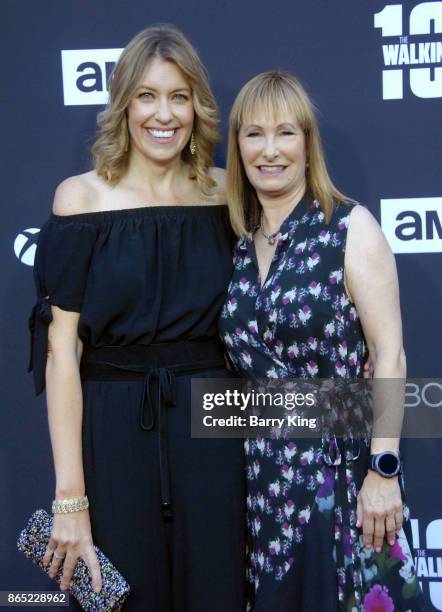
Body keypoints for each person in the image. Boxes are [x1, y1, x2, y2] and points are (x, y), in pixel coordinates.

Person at [28, 25, 245, 611]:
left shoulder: (228, 195)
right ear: (123, 103)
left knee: (220, 590)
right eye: (147, 96)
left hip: (216, 422)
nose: (163, 114)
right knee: (121, 596)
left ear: (197, 107)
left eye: (179, 96)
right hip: (114, 422)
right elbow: (62, 352)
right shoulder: (81, 199)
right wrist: (70, 498)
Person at [219, 71, 424, 611]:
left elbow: (389, 355)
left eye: (285, 133)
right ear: (236, 146)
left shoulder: (351, 228)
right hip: (260, 480)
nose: (269, 150)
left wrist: (383, 469)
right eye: (253, 134)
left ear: (308, 144)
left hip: (341, 470)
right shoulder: (238, 243)